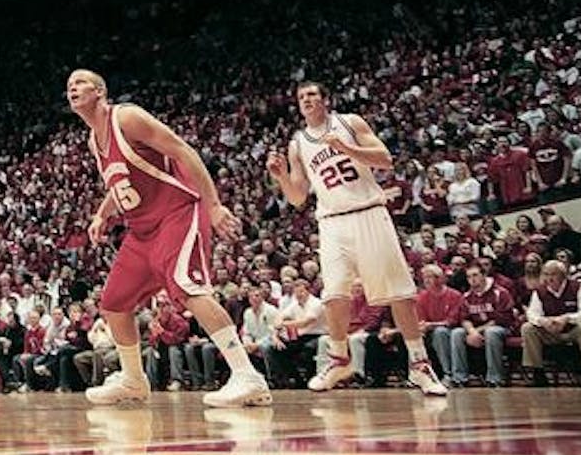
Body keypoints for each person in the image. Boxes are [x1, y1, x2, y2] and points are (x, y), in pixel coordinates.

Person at [66, 69, 271, 408]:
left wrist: (214, 205)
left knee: (189, 290)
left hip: (177, 213)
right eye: (69, 86)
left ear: (100, 91)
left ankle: (247, 376)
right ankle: (133, 381)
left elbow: (181, 150)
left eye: (80, 83)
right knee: (114, 303)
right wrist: (103, 213)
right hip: (141, 229)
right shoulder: (93, 139)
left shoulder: (127, 117)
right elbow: (121, 184)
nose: (72, 88)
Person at [267, 81, 447, 396]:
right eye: (301, 97)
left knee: (399, 292)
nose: (307, 100)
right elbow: (297, 197)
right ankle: (339, 359)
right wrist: (281, 176)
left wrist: (348, 149)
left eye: (312, 95)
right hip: (332, 222)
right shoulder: (298, 143)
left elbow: (385, 159)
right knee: (334, 294)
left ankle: (419, 365)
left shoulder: (350, 123)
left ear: (325, 100)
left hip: (368, 211)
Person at [520, 259, 581, 385]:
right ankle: (537, 372)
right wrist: (543, 321)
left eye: (553, 274)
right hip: (550, 331)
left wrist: (567, 318)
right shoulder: (539, 291)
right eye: (546, 274)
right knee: (528, 328)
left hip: (572, 330)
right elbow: (532, 314)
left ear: (563, 275)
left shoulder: (579, 288)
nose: (549, 278)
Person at [451, 264, 516, 387]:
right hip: (477, 329)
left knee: (491, 332)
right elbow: (464, 319)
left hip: (502, 328)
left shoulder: (500, 293)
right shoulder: (467, 296)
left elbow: (499, 319)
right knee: (456, 333)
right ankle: (459, 377)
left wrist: (477, 332)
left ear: (484, 275)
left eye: (475, 275)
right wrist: (472, 332)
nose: (472, 279)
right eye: (469, 277)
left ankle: (494, 378)